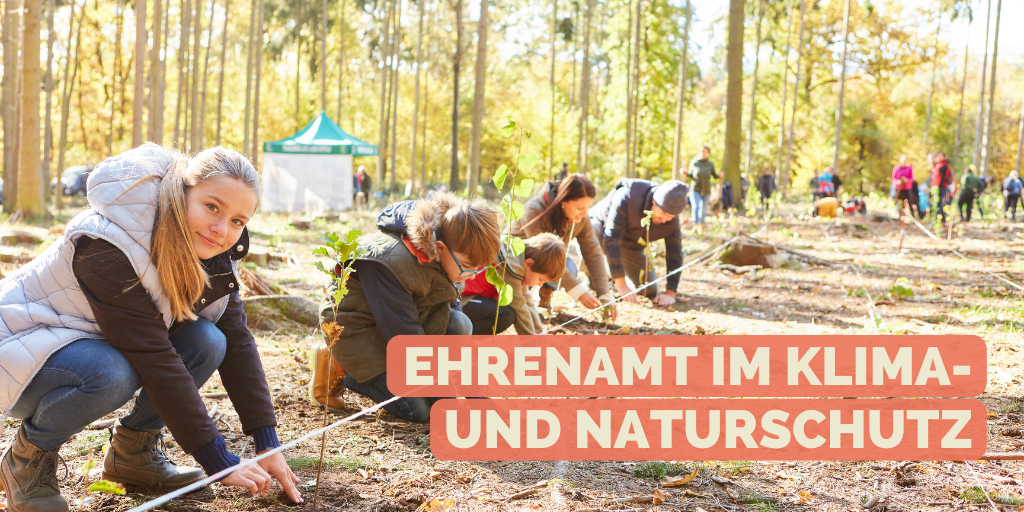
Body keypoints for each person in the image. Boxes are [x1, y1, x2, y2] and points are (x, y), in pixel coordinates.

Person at [0, 145, 302, 512]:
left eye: (238, 221)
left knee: (209, 340)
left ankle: (133, 454)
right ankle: (25, 459)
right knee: (111, 372)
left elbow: (238, 340)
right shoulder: (107, 243)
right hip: (20, 347)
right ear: (182, 192)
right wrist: (217, 459)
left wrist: (267, 441)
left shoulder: (213, 252)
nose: (222, 230)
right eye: (212, 207)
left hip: (87, 341)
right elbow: (153, 355)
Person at [317, 193, 501, 422]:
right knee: (418, 411)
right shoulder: (392, 262)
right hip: (355, 328)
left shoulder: (450, 255)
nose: (470, 275)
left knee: (459, 323)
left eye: (477, 269)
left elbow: (450, 332)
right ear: (441, 248)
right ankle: (343, 368)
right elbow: (406, 340)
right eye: (467, 268)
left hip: (398, 322)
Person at [510, 174, 614, 316]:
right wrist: (577, 290)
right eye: (580, 207)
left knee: (568, 266)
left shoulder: (582, 219)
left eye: (588, 207)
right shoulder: (535, 210)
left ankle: (543, 298)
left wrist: (604, 293)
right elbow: (543, 257)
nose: (584, 213)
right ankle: (520, 303)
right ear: (564, 200)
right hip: (517, 261)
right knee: (558, 267)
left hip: (541, 263)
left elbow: (593, 252)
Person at [590, 179, 687, 306]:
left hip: (632, 246)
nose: (664, 219)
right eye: (662, 213)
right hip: (604, 233)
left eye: (670, 217)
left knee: (648, 289)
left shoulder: (671, 220)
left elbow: (674, 253)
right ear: (654, 202)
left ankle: (611, 272)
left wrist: (670, 292)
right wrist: (621, 284)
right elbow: (612, 237)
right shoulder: (628, 195)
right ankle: (592, 275)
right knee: (592, 231)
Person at [462, 234, 567, 335]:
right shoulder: (510, 268)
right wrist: (532, 344)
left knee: (506, 313)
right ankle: (459, 336)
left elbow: (528, 302)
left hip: (471, 299)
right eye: (540, 279)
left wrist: (539, 333)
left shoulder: (517, 261)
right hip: (459, 300)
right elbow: (520, 309)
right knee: (505, 315)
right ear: (529, 263)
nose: (540, 285)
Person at [687, 146, 718, 233]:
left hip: (706, 189)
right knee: (696, 207)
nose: (703, 154)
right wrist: (684, 171)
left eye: (705, 152)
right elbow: (690, 175)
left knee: (703, 209)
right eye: (702, 152)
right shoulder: (694, 163)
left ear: (708, 153)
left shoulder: (710, 164)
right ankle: (695, 225)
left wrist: (719, 176)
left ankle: (701, 225)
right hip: (695, 188)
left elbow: (714, 176)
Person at [931, 152, 954, 222]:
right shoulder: (938, 165)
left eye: (940, 156)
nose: (939, 157)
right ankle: (940, 218)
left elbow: (943, 177)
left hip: (941, 186)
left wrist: (938, 185)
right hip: (936, 186)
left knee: (940, 203)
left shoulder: (944, 165)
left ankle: (940, 218)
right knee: (937, 203)